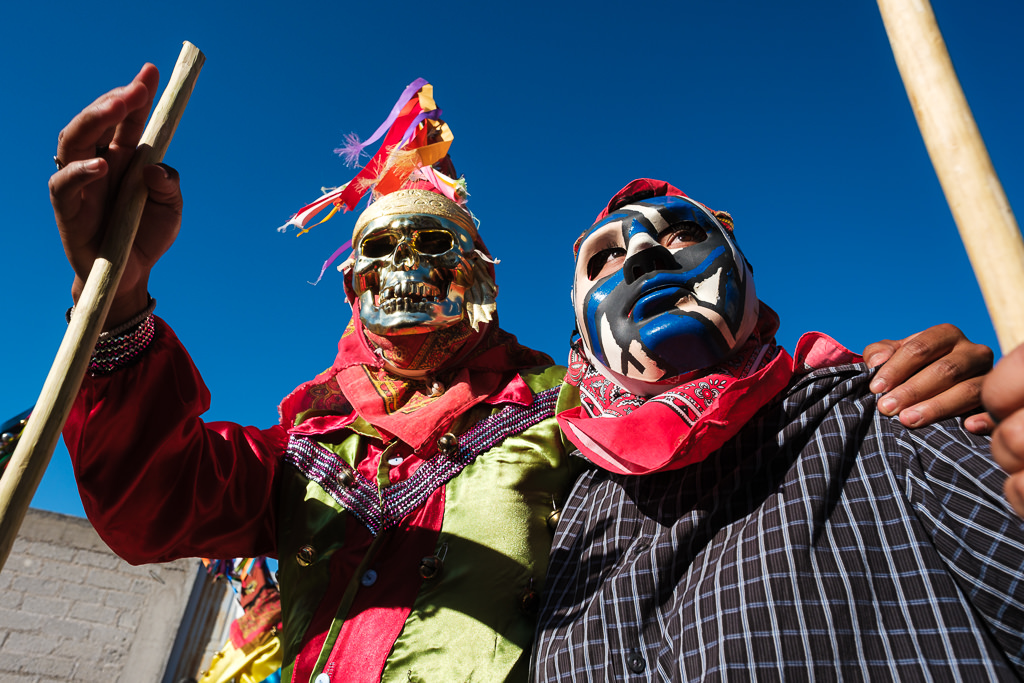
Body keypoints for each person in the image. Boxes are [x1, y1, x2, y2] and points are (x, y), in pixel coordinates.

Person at [50, 67, 994, 682]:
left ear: (484, 281)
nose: (411, 266)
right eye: (386, 247)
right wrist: (118, 298)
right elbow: (151, 502)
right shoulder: (303, 447)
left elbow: (709, 411)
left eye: (437, 244)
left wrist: (859, 392)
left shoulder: (570, 406)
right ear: (350, 282)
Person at [532, 178, 1024, 681]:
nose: (643, 257)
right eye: (605, 258)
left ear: (744, 269)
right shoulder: (566, 512)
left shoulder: (887, 414)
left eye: (681, 234)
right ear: (578, 319)